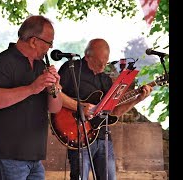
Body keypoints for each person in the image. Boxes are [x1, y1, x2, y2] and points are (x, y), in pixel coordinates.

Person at [0, 15, 63, 180]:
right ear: (33, 41)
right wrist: (32, 88)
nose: (50, 48)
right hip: (7, 156)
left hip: (34, 157)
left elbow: (55, 108)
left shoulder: (41, 65)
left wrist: (54, 89)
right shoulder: (3, 62)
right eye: (49, 43)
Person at [58, 38, 153, 180]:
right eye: (98, 62)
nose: (103, 65)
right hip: (78, 134)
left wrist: (137, 99)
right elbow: (54, 95)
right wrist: (79, 107)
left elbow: (114, 112)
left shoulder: (105, 80)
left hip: (103, 137)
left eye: (106, 61)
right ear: (87, 56)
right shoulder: (71, 68)